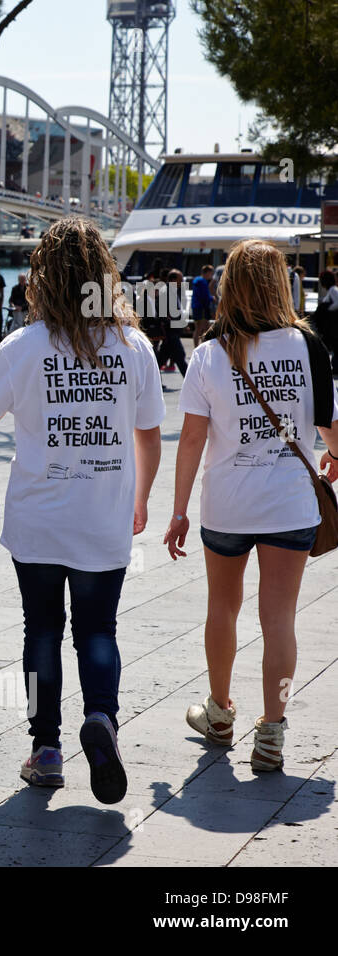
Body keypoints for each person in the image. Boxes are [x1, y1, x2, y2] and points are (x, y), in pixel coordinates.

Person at [0, 217, 165, 804]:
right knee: (98, 628)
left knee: (42, 631)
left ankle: (46, 749)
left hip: (38, 517)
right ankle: (101, 718)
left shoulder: (23, 347)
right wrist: (142, 497)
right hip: (104, 512)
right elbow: (149, 434)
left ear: (42, 278)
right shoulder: (134, 347)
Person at [163, 239, 338, 774]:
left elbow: (191, 440)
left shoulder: (210, 353)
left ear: (229, 286)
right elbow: (331, 428)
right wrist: (333, 456)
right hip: (289, 504)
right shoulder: (310, 347)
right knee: (279, 618)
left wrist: (178, 510)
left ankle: (219, 713)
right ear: (280, 283)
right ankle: (273, 732)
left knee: (224, 608)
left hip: (227, 505)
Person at [156, 268, 188, 383]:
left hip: (173, 330)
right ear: (173, 279)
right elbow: (161, 310)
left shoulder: (174, 291)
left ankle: (150, 379)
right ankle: (192, 382)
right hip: (170, 331)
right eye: (180, 279)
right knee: (180, 357)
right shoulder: (166, 291)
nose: (182, 281)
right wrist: (168, 320)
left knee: (161, 359)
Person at [190, 264, 215, 346]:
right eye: (211, 273)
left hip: (196, 306)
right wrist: (212, 298)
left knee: (198, 328)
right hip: (202, 307)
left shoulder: (197, 280)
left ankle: (197, 346)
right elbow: (204, 296)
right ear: (207, 272)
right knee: (204, 328)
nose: (212, 276)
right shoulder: (202, 282)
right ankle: (203, 347)